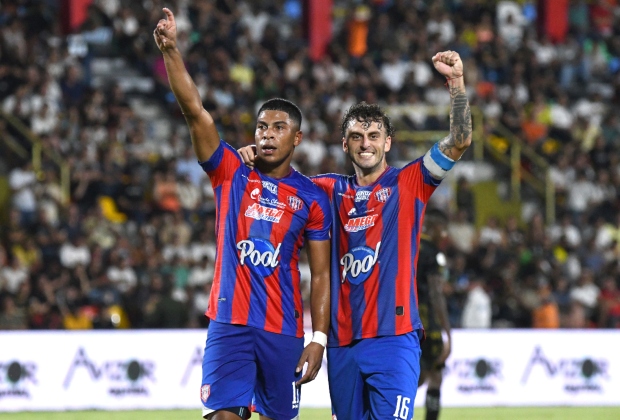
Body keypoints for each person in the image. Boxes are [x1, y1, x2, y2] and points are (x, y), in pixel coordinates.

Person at [240, 50, 472, 419]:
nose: (366, 143)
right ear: (345, 144)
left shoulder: (409, 183)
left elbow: (459, 140)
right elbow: (280, 184)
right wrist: (255, 156)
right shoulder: (325, 190)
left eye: (374, 135)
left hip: (394, 339)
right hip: (342, 344)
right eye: (357, 136)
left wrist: (456, 84)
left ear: (388, 143)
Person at [153, 8, 332, 420]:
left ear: (297, 137)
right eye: (261, 127)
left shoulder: (311, 198)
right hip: (229, 323)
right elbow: (196, 112)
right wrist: (172, 51)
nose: (266, 135)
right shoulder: (231, 172)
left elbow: (320, 274)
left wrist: (318, 339)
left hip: (282, 331)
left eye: (278, 128)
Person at [416, 208, 452, 420]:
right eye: (443, 228)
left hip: (403, 319)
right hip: (427, 321)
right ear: (433, 226)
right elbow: (436, 293)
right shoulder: (433, 252)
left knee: (413, 376)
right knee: (434, 374)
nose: (445, 234)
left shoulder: (407, 243)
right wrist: (448, 331)